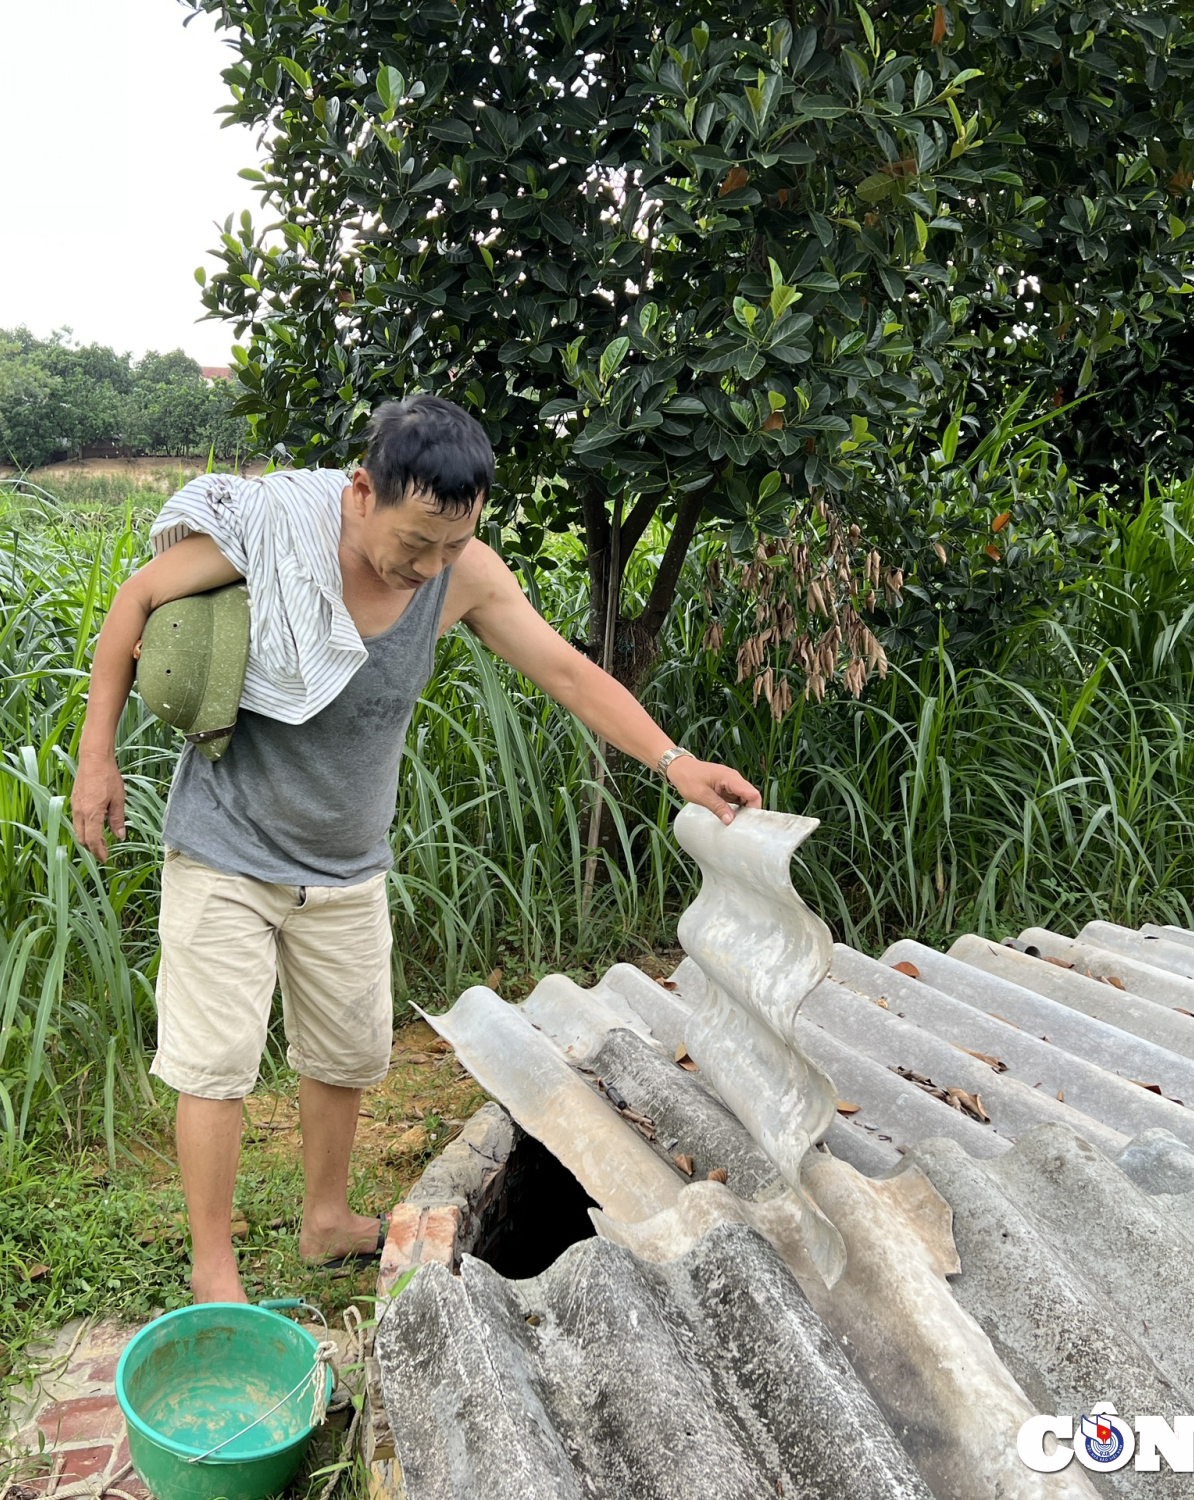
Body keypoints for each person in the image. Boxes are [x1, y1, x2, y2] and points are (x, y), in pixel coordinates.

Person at [71, 394, 760, 1303]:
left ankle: (325, 1221)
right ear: (361, 493)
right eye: (415, 543)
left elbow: (564, 669)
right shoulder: (274, 537)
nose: (428, 567)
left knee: (347, 1054)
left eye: (451, 545)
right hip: (226, 850)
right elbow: (135, 602)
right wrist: (96, 757)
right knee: (215, 1064)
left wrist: (674, 762)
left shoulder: (461, 572)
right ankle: (213, 1270)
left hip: (348, 863)